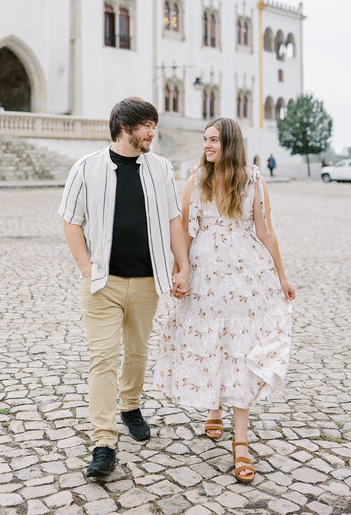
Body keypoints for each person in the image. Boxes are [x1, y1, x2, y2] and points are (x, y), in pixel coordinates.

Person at [154, 118, 295, 484]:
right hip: (205, 275)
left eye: (214, 140)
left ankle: (242, 441)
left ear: (230, 143)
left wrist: (282, 276)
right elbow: (182, 230)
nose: (207, 145)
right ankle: (213, 408)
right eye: (205, 140)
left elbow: (266, 231)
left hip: (247, 275)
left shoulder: (254, 180)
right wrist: (180, 272)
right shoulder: (195, 180)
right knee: (212, 342)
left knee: (241, 348)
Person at [59, 97, 189, 478]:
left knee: (137, 350)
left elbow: (173, 220)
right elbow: (70, 220)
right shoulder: (87, 168)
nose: (153, 132)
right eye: (147, 125)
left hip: (148, 281)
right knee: (102, 359)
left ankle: (131, 406)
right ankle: (104, 443)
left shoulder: (161, 168)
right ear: (124, 126)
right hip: (103, 284)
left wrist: (182, 266)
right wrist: (86, 267)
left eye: (154, 125)